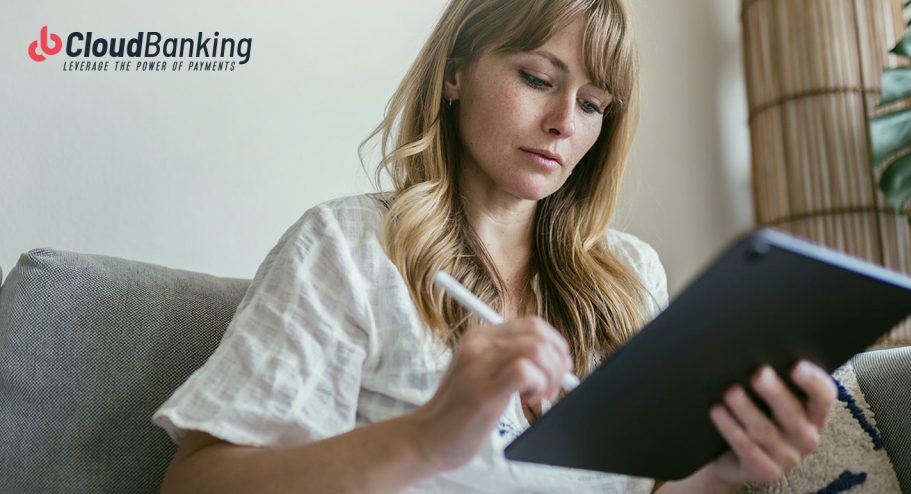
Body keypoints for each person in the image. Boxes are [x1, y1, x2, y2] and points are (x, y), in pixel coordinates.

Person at [152, 0, 838, 492]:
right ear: (455, 74)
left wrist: (721, 471)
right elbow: (196, 483)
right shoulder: (349, 248)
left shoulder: (630, 277)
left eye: (594, 105)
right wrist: (424, 438)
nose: (564, 122)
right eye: (538, 79)